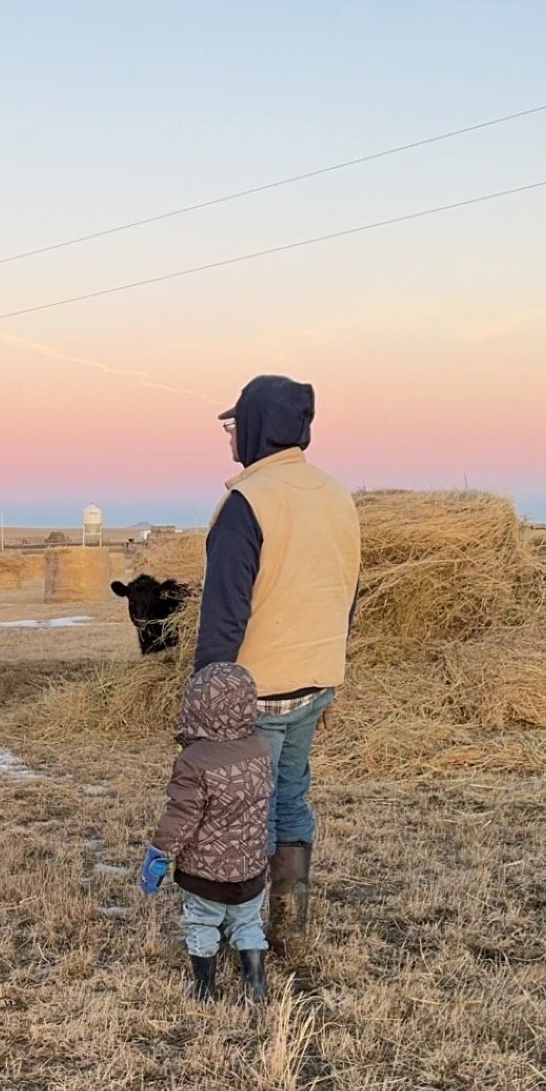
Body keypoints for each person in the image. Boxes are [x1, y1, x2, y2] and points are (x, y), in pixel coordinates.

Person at [193, 375, 360, 941]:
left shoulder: (247, 503)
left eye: (235, 424)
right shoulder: (337, 496)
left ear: (257, 427)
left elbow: (223, 618)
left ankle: (240, 933)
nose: (231, 436)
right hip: (316, 681)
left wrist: (204, 704)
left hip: (255, 692)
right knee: (289, 795)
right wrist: (329, 669)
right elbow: (346, 592)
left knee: (239, 815)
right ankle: (288, 921)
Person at [140, 661, 272, 1003]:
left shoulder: (194, 759)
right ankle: (256, 985)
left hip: (206, 872)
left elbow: (182, 814)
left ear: (196, 705)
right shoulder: (260, 746)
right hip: (252, 866)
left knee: (201, 924)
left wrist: (160, 853)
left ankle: (204, 987)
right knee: (248, 923)